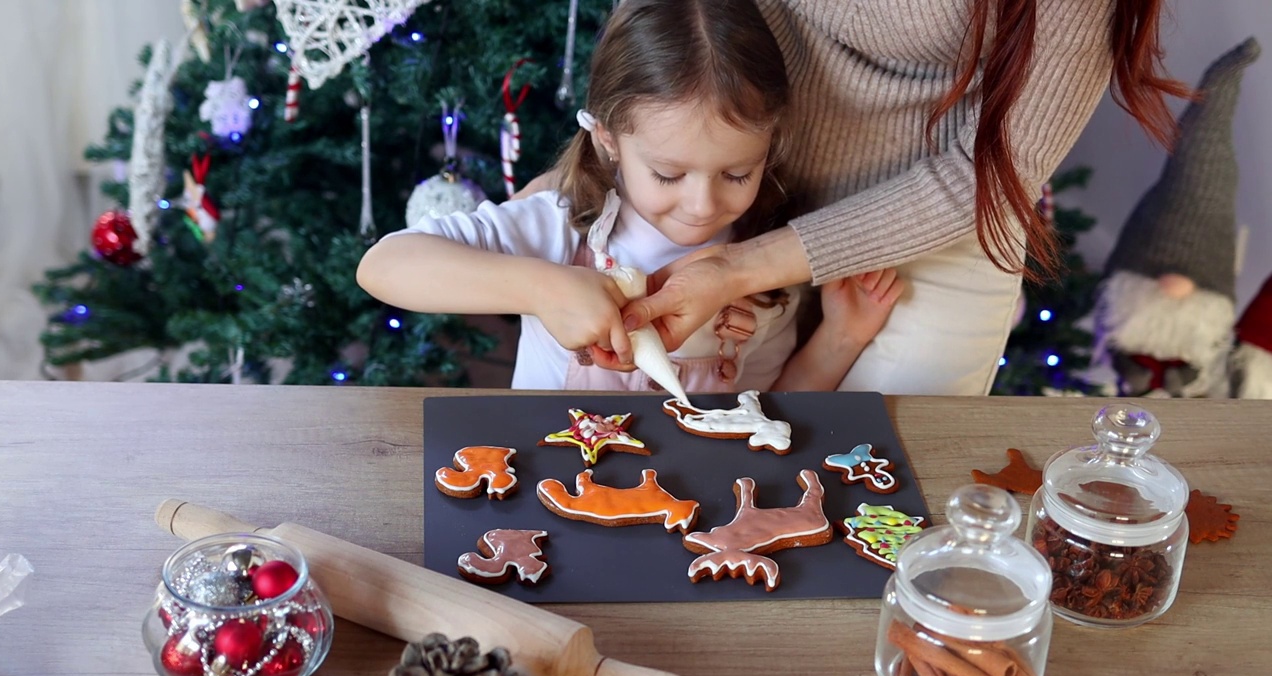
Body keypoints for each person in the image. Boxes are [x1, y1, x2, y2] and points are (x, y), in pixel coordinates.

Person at [518, 0, 1190, 396]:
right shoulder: (629, 208)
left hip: (928, 214)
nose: (692, 208)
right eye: (666, 179)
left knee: (874, 470)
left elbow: (984, 175)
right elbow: (412, 261)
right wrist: (627, 161)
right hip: (738, 164)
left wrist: (742, 267)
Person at [356, 0, 902, 394]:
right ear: (608, 140)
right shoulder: (560, 225)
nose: (702, 205)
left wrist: (839, 339)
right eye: (667, 174)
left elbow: (773, 414)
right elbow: (383, 265)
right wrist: (542, 287)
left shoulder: (764, 259)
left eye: (737, 174)